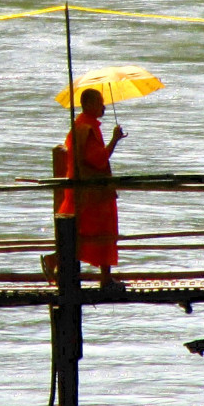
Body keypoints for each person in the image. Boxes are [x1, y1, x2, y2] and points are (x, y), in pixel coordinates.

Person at [58, 88, 125, 287]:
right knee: (101, 234)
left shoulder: (80, 127)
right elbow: (99, 160)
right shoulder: (86, 129)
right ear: (88, 105)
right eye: (99, 102)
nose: (103, 107)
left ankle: (59, 265)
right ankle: (105, 279)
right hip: (94, 192)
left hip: (84, 190)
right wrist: (114, 139)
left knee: (80, 234)